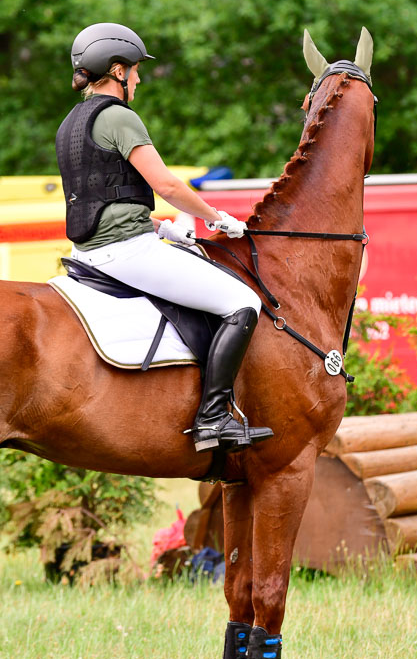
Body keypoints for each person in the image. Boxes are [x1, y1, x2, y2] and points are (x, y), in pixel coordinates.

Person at [56, 22, 273, 454]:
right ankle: (212, 418)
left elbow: (103, 199)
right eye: (135, 70)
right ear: (118, 71)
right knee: (243, 302)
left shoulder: (69, 124)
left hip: (88, 252)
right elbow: (167, 185)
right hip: (125, 253)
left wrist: (162, 227)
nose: (138, 79)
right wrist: (218, 219)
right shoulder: (118, 116)